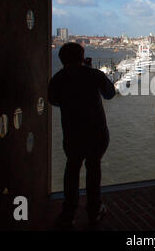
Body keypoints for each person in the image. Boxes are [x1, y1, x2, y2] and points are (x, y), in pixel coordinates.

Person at [48, 43, 115, 228]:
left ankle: (68, 213)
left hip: (72, 133)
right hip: (96, 132)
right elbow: (110, 94)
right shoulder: (93, 75)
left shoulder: (58, 79)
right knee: (94, 169)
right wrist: (90, 71)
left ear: (62, 60)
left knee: (72, 169)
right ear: (82, 56)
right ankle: (94, 211)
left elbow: (53, 100)